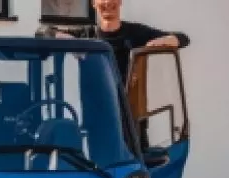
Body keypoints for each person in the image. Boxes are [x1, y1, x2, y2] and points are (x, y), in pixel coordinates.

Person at [36, 0, 190, 149]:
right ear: (93, 3)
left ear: (120, 1)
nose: (108, 2)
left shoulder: (136, 34)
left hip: (133, 125)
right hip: (98, 124)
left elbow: (183, 38)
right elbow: (41, 33)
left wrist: (167, 40)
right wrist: (63, 38)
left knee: (138, 171)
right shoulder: (86, 35)